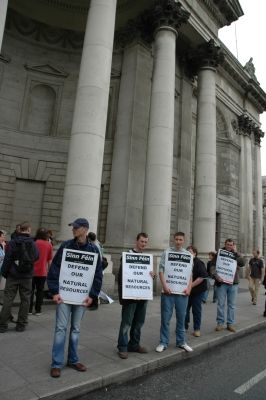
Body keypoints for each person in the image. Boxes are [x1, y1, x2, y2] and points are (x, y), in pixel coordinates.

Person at [47, 218, 103, 378]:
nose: (73, 229)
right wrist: (54, 292)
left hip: (82, 298)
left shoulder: (93, 250)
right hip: (64, 296)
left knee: (76, 330)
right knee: (60, 329)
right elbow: (54, 270)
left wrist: (93, 295)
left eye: (76, 227)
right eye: (73, 227)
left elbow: (97, 276)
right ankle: (56, 364)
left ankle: (73, 359)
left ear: (85, 230)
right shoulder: (65, 246)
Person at [117, 232, 155, 359]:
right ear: (136, 241)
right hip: (130, 297)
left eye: (145, 242)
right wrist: (122, 296)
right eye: (141, 241)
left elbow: (145, 276)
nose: (143, 244)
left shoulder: (146, 258)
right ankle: (122, 347)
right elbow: (122, 277)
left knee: (139, 322)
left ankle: (134, 344)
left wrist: (151, 276)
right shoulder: (127, 255)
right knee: (126, 322)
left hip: (142, 296)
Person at [155, 232, 193, 353]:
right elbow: (161, 270)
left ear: (184, 240)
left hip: (182, 293)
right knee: (165, 318)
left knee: (181, 318)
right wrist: (164, 286)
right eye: (176, 239)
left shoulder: (188, 255)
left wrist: (189, 288)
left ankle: (181, 342)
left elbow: (190, 274)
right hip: (168, 292)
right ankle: (163, 342)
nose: (178, 241)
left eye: (180, 239)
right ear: (173, 240)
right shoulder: (166, 253)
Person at [0, 221, 39, 333]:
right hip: (26, 276)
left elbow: (7, 259)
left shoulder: (12, 242)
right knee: (25, 300)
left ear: (19, 229)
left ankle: (2, 325)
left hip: (13, 275)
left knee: (8, 299)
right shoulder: (32, 243)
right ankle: (21, 325)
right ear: (28, 230)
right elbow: (36, 256)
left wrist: (5, 272)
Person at [212, 238, 245, 333]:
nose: (229, 246)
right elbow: (212, 266)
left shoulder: (236, 254)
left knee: (232, 305)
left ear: (233, 246)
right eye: (228, 244)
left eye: (231, 245)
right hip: (221, 282)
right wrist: (216, 276)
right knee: (220, 304)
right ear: (225, 244)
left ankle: (230, 324)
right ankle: (220, 323)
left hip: (233, 283)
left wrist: (237, 253)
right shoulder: (219, 253)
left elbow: (242, 263)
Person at [29, 228, 53, 315]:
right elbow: (49, 260)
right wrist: (50, 271)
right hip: (43, 272)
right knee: (40, 291)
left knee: (30, 291)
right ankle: (38, 310)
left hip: (32, 271)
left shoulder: (34, 243)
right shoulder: (49, 245)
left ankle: (29, 310)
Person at [185, 245, 208, 337]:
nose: (188, 254)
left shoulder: (199, 263)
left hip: (198, 291)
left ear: (195, 253)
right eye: (187, 252)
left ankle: (197, 329)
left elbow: (202, 277)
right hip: (187, 291)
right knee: (185, 310)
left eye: (190, 252)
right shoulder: (185, 262)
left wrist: (190, 286)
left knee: (196, 310)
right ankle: (184, 326)